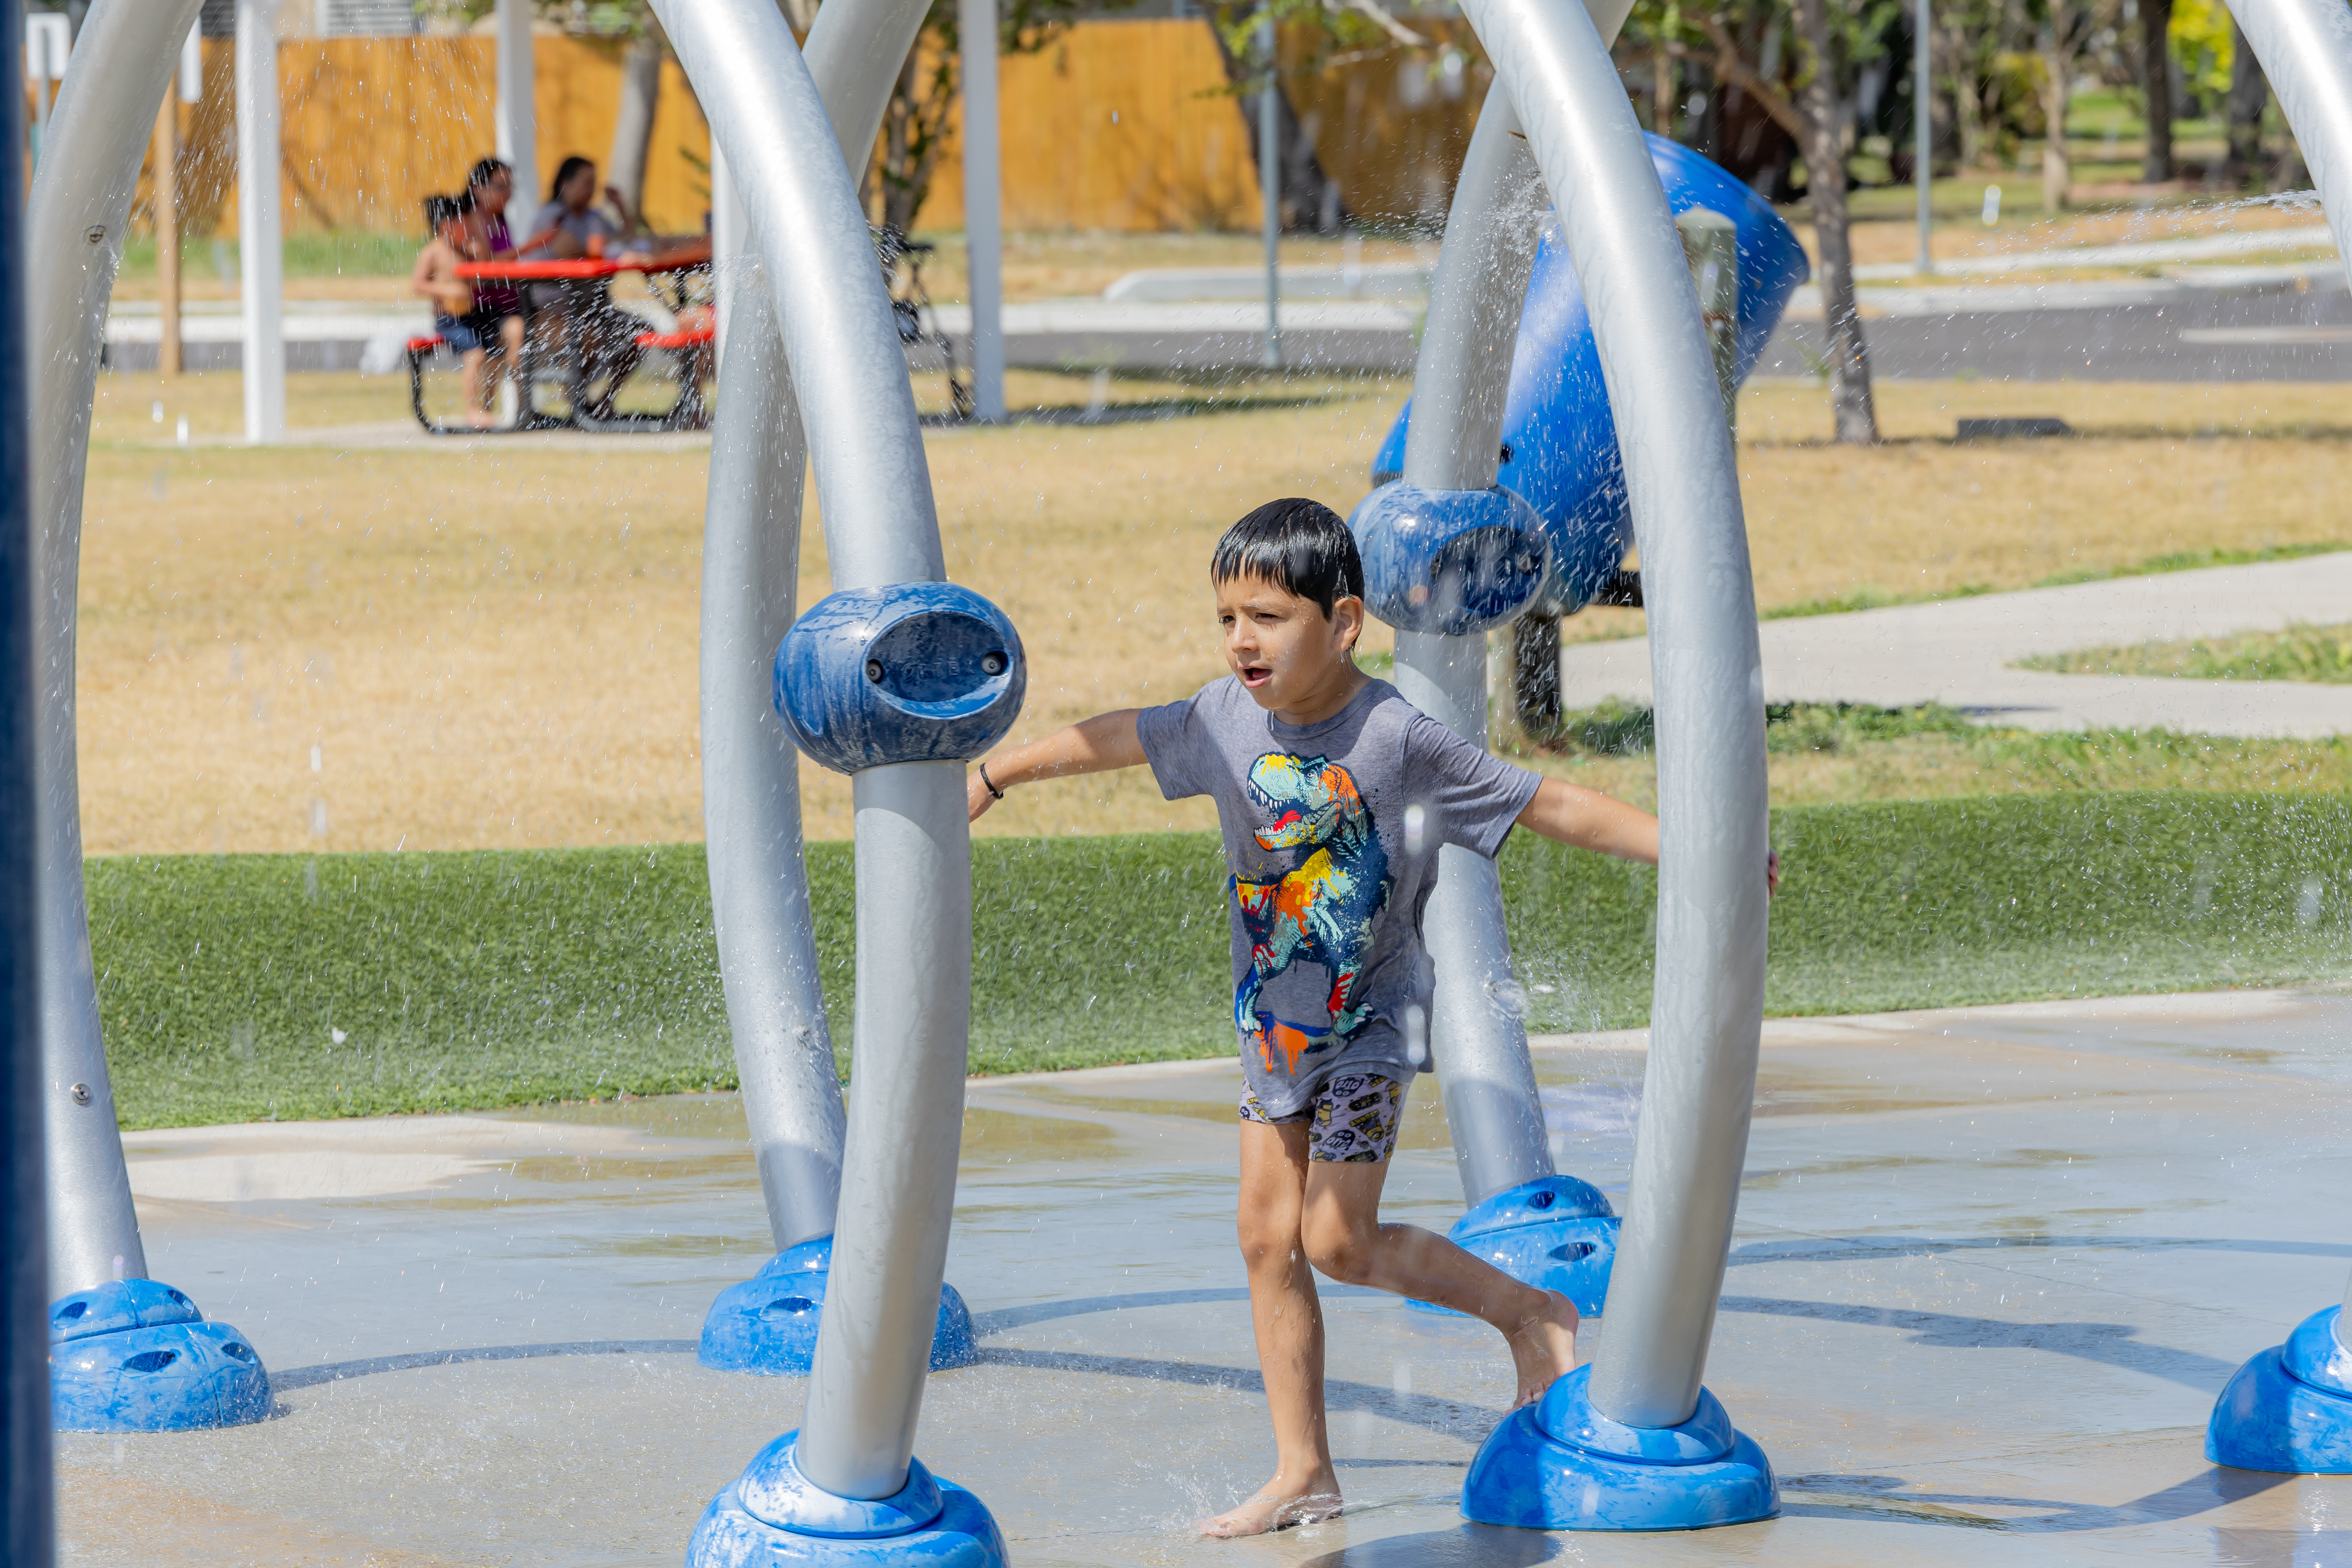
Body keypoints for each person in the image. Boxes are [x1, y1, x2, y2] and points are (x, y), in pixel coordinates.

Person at [964, 498, 1779, 1538]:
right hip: (1273, 1027)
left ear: (1342, 621)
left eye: (1265, 616)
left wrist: (1692, 846)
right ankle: (1302, 1469)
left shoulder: (1395, 735)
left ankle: (1528, 1309)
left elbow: (1545, 804)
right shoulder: (1222, 717)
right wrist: (997, 772)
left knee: (1336, 1241)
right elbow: (1121, 734)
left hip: (1367, 1032)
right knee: (1267, 1239)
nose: (1240, 639)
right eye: (1225, 616)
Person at [522, 155, 652, 422]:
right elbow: (577, 251)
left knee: (638, 332)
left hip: (587, 308)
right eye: (585, 182)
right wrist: (616, 256)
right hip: (552, 312)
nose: (591, 188)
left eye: (594, 182)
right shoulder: (553, 217)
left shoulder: (592, 218)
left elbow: (626, 239)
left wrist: (620, 207)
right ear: (564, 184)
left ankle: (602, 402)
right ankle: (576, 399)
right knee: (589, 336)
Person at [409, 193, 502, 429]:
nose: (470, 228)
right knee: (476, 355)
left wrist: (477, 246)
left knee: (497, 352)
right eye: (465, 223)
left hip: (470, 315)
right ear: (446, 226)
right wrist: (446, 290)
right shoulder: (433, 252)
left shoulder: (464, 250)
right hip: (448, 320)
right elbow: (417, 285)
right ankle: (472, 409)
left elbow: (484, 265)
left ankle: (486, 406)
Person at [460, 157, 530, 408]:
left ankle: (515, 407)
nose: (508, 193)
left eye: (510, 186)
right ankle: (496, 407)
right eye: (500, 186)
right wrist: (532, 245)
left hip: (504, 302)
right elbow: (487, 263)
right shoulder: (474, 218)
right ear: (478, 189)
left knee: (517, 341)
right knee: (512, 337)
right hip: (482, 306)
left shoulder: (499, 219)